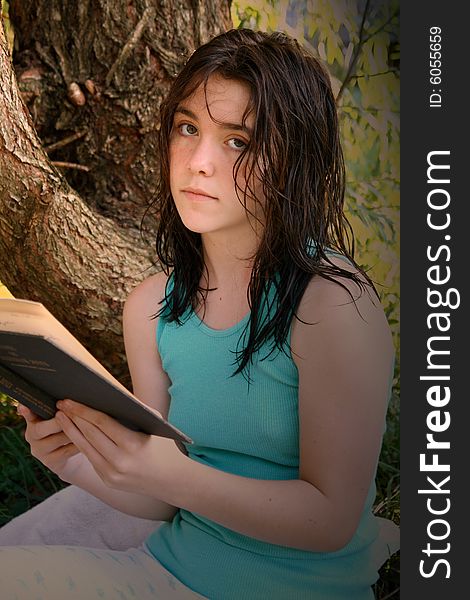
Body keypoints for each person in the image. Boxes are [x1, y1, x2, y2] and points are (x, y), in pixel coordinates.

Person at [0, 28, 396, 599]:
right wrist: (75, 461)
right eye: (188, 129)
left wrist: (171, 473)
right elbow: (162, 498)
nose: (198, 163)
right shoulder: (154, 309)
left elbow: (330, 520)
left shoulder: (331, 303)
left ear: (295, 160)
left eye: (238, 141)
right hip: (166, 570)